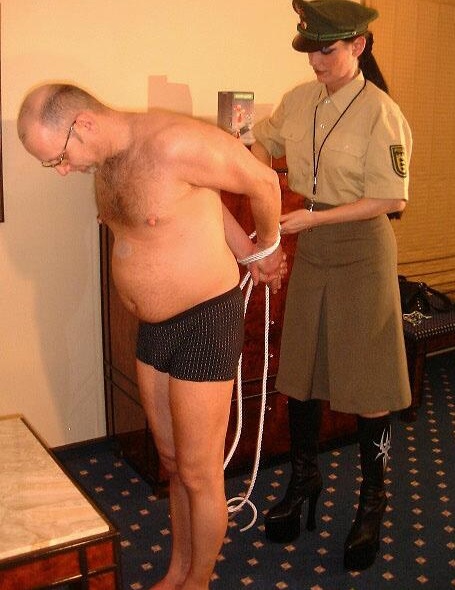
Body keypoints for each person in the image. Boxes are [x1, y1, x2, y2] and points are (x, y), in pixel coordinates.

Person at [17, 83, 286, 590]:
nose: (62, 170)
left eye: (58, 158)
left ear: (83, 124)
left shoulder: (173, 142)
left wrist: (266, 249)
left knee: (200, 472)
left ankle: (198, 581)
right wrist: (244, 249)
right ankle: (178, 570)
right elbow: (204, 199)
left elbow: (264, 182)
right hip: (155, 330)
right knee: (172, 462)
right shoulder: (107, 160)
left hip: (205, 320)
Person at [251, 0, 412, 572]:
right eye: (310, 51)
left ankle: (373, 500)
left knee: (369, 383)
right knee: (301, 372)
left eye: (328, 50)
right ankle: (304, 482)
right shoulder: (299, 101)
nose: (316, 62)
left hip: (362, 250)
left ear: (358, 45)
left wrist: (312, 219)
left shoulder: (381, 112)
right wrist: (249, 173)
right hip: (313, 250)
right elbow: (262, 148)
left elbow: (390, 198)